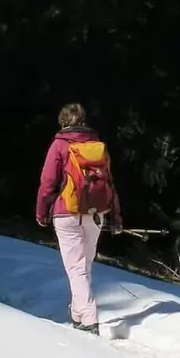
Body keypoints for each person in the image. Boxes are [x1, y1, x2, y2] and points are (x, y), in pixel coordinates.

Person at [35, 103, 121, 333]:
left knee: (76, 268)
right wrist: (116, 216)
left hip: (67, 212)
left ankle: (90, 317)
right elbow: (110, 183)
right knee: (84, 266)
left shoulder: (60, 146)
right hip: (95, 214)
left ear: (63, 121)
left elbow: (47, 184)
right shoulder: (97, 146)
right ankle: (77, 313)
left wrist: (42, 212)